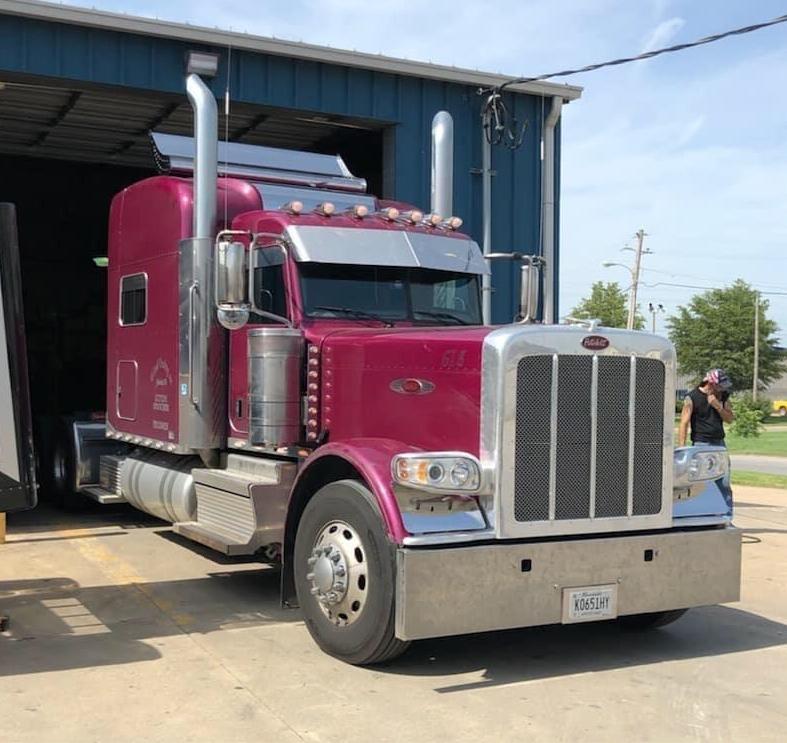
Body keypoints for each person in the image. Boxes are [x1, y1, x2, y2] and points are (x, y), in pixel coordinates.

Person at [678, 368, 734, 447]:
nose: (722, 388)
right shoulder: (692, 397)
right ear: (711, 383)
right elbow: (684, 423)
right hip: (701, 442)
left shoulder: (723, 395)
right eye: (720, 386)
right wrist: (682, 447)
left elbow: (730, 419)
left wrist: (718, 407)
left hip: (719, 442)